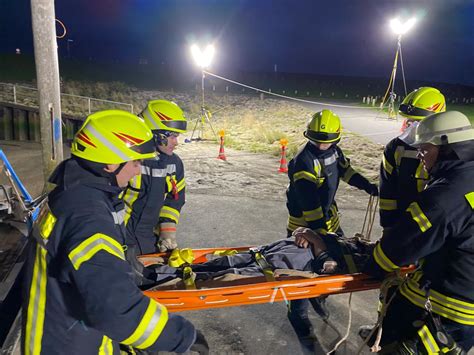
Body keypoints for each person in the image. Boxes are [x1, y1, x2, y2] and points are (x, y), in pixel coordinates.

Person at [22, 110, 205, 354]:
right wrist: (182, 337)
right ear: (110, 163)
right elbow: (116, 309)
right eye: (136, 162)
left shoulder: (76, 193)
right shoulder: (88, 216)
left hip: (72, 335)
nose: (138, 171)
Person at [364, 111, 474, 354]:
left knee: (395, 315)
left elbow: (397, 250)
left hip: (445, 305)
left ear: (447, 147)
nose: (421, 156)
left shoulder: (445, 196)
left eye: (425, 149)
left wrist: (372, 264)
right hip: (467, 308)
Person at [285, 109, 378, 351]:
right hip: (304, 227)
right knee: (300, 271)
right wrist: (320, 235)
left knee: (337, 262)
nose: (321, 146)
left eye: (327, 142)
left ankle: (319, 294)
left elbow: (346, 171)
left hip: (329, 221)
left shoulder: (334, 151)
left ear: (336, 139)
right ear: (309, 136)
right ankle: (298, 312)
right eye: (317, 140)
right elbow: (308, 201)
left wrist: (368, 186)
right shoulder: (303, 160)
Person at [122, 100, 187, 255]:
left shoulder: (175, 163)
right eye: (172, 136)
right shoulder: (128, 160)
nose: (176, 142)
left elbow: (174, 199)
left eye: (177, 136)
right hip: (122, 235)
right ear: (155, 134)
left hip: (149, 237)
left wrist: (167, 230)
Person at [379, 87, 446, 229]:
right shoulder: (395, 148)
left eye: (420, 123)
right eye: (409, 122)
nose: (413, 129)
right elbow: (387, 191)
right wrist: (388, 226)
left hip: (435, 227)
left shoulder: (449, 151)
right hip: (401, 224)